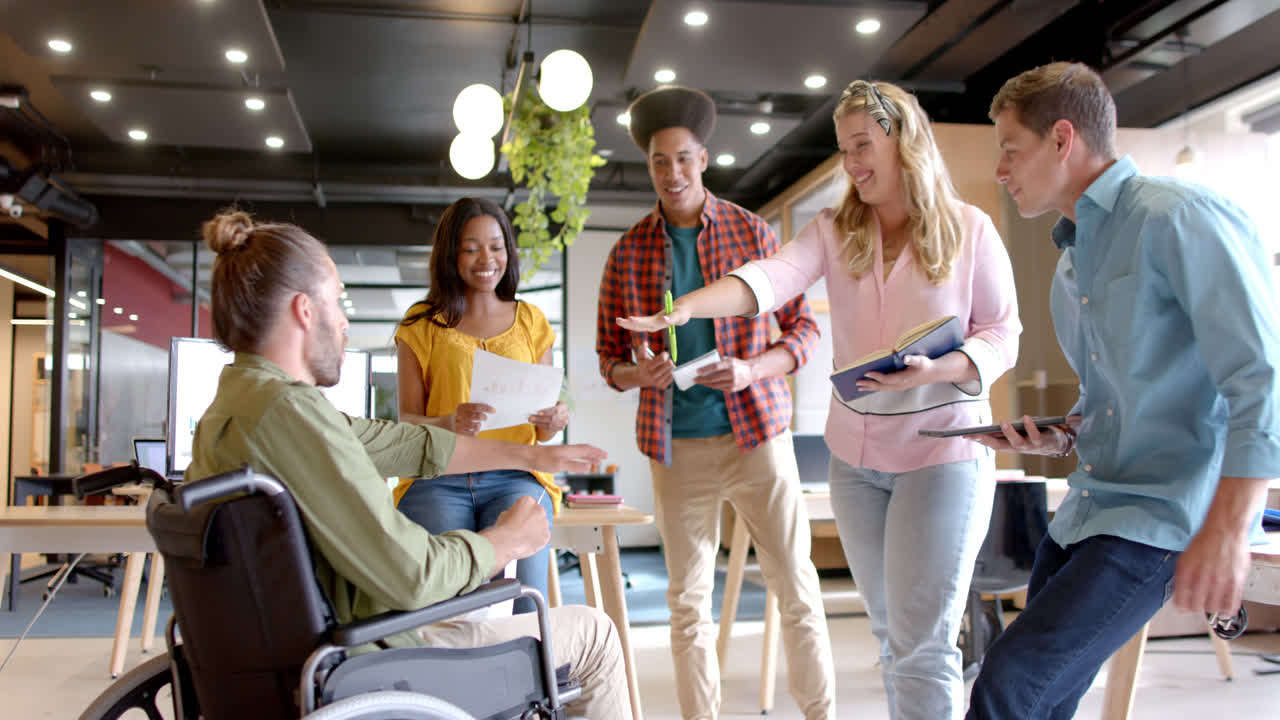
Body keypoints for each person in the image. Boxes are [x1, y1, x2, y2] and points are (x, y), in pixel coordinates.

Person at [618, 80, 1021, 720]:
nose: (853, 163)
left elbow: (1002, 332)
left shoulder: (969, 229)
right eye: (844, 150)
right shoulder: (836, 229)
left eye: (864, 144)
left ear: (904, 140)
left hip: (943, 452)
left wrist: (942, 367)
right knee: (892, 638)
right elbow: (768, 281)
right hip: (857, 463)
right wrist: (689, 306)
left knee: (922, 644)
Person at [187, 209, 630, 720]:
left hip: (319, 644)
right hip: (383, 654)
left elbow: (400, 440)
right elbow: (412, 575)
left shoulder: (237, 408)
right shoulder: (292, 416)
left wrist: (531, 454)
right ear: (304, 310)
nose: (345, 321)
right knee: (595, 634)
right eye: (336, 301)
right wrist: (503, 541)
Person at [963, 61, 1280, 719]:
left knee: (1010, 684)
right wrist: (1066, 431)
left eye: (1010, 150)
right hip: (1092, 506)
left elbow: (1260, 379)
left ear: (1061, 139)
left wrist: (1228, 530)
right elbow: (1113, 394)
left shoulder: (1180, 218)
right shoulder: (1072, 262)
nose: (1001, 170)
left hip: (1163, 514)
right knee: (1041, 697)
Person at [596, 84, 835, 720]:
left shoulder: (752, 232)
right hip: (677, 447)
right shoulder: (627, 255)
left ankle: (821, 713)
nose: (671, 173)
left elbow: (804, 332)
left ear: (703, 159)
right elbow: (607, 363)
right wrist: (636, 374)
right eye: (658, 161)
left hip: (758, 435)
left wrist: (755, 368)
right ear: (648, 166)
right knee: (686, 602)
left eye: (682, 159)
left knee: (796, 588)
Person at [394, 197, 568, 614]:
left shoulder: (532, 322)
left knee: (523, 603)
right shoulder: (421, 323)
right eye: (471, 248)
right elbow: (405, 421)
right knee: (445, 604)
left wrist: (555, 419)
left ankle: (529, 672)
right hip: (441, 475)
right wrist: (447, 421)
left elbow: (543, 427)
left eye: (496, 246)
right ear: (450, 254)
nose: (486, 259)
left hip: (516, 475)